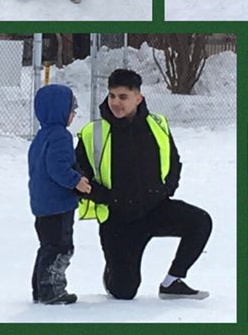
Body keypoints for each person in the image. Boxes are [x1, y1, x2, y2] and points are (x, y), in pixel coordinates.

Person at [76, 68, 212, 301]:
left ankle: (173, 281)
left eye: (123, 97)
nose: (116, 102)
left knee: (200, 222)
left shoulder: (158, 124)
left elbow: (173, 162)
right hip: (118, 220)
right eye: (112, 96)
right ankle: (114, 270)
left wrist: (165, 191)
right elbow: (79, 179)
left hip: (155, 209)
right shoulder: (93, 132)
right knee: (124, 292)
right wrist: (111, 199)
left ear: (138, 98)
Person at [29, 84, 91, 305]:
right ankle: (53, 290)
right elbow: (57, 167)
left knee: (47, 246)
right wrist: (78, 181)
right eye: (71, 111)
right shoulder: (60, 137)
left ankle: (40, 288)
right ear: (60, 111)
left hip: (42, 204)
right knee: (60, 247)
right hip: (58, 204)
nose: (73, 115)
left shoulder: (41, 136)